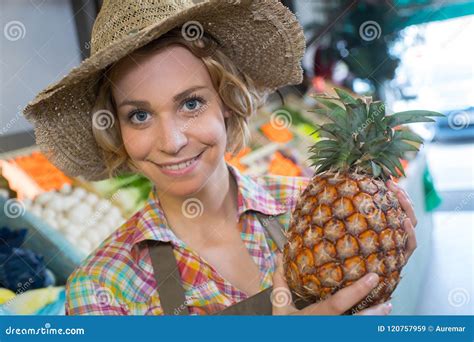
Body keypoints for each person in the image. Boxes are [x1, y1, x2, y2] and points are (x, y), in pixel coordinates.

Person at [24, 0, 417, 316]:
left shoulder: (309, 205)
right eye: (139, 115)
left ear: (226, 103)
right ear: (117, 129)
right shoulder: (102, 289)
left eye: (191, 103)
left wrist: (381, 272)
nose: (172, 141)